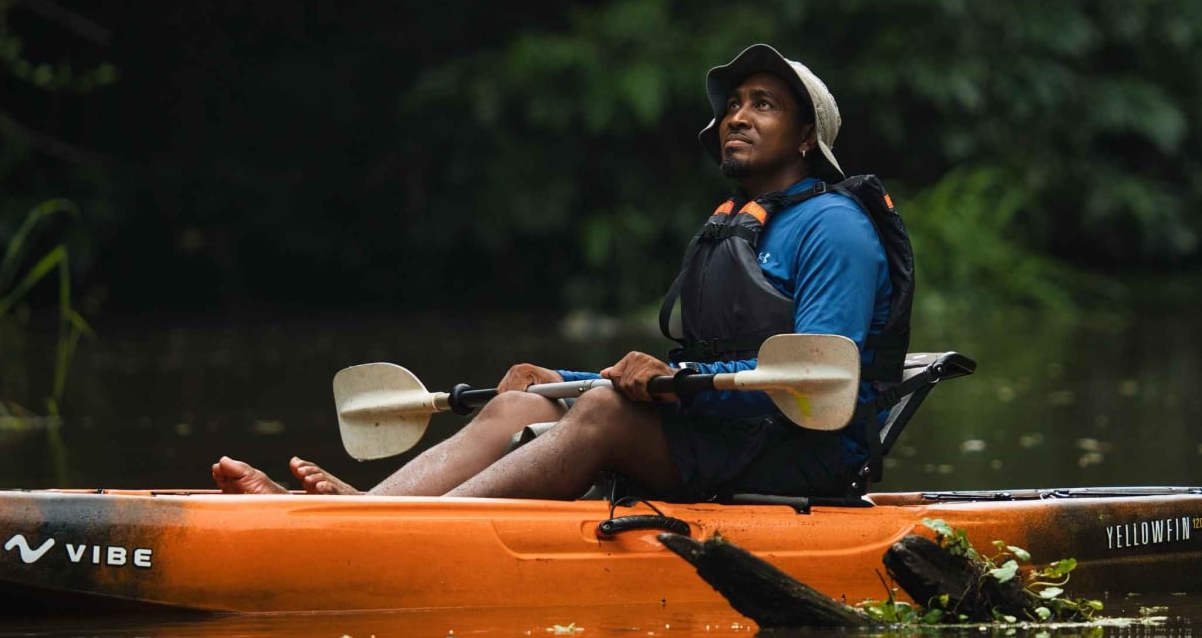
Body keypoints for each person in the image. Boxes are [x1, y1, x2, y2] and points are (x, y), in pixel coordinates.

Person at [212, 43, 913, 500]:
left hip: (805, 461)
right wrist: (565, 381)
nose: (737, 115)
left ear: (804, 136)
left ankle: (384, 532)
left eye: (763, 104)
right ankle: (371, 510)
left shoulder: (836, 228)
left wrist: (661, 392)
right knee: (523, 400)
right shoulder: (733, 220)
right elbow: (702, 373)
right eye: (733, 104)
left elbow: (825, 396)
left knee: (606, 409)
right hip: (729, 440)